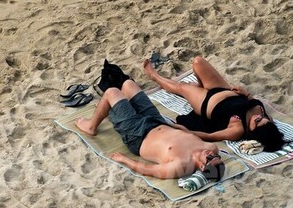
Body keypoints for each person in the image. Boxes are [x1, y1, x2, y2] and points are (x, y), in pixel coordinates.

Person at [75, 66, 225, 181]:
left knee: (112, 92)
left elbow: (149, 170)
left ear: (202, 167)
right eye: (216, 156)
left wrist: (124, 159)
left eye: (210, 159)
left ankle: (91, 126)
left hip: (138, 135)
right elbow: (195, 137)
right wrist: (181, 129)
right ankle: (112, 110)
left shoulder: (181, 166)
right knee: (128, 84)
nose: (211, 154)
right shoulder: (211, 148)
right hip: (157, 121)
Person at [143, 56, 284, 152]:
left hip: (206, 101)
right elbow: (264, 121)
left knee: (181, 87)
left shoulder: (237, 130)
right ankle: (200, 86)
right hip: (224, 89)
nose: (259, 117)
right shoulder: (266, 119)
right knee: (198, 62)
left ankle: (154, 76)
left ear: (253, 132)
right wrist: (247, 94)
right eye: (262, 118)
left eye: (257, 121)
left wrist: (187, 131)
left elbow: (210, 136)